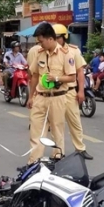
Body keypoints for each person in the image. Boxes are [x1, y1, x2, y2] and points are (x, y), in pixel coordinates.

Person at [27, 23, 77, 164]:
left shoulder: (67, 54)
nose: (40, 44)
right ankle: (34, 161)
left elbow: (72, 77)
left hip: (58, 97)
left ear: (50, 39)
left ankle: (58, 157)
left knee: (57, 129)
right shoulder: (39, 53)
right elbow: (35, 75)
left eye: (41, 41)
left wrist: (56, 78)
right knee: (35, 130)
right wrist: (31, 97)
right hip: (40, 97)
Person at [53, 23, 93, 160]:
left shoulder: (73, 51)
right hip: (55, 93)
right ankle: (58, 152)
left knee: (75, 122)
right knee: (56, 124)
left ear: (64, 37)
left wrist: (81, 91)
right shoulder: (49, 52)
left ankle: (80, 149)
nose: (55, 40)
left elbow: (80, 72)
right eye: (53, 37)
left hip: (69, 92)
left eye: (57, 37)